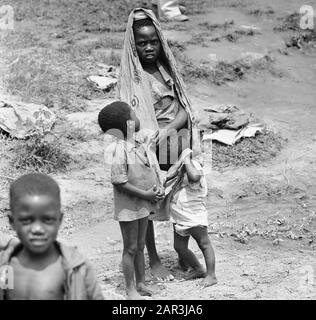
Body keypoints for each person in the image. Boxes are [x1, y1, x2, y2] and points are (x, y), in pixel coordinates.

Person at [117, 8, 199, 281]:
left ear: (160, 41)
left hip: (177, 142)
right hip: (147, 151)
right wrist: (153, 136)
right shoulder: (133, 79)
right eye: (142, 43)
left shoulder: (166, 70)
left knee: (182, 201)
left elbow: (184, 109)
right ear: (133, 44)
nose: (149, 47)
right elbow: (129, 123)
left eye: (153, 41)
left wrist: (169, 130)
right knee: (148, 203)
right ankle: (152, 258)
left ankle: (182, 252)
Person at [98, 101, 164, 300]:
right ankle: (130, 289)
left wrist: (157, 187)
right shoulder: (120, 150)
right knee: (131, 248)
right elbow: (119, 182)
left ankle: (141, 282)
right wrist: (146, 195)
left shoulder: (138, 145)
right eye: (134, 114)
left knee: (141, 244)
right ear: (128, 124)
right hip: (129, 207)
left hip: (143, 204)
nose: (138, 117)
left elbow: (149, 170)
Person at [0, 173, 104, 300]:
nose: (37, 229)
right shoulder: (6, 265)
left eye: (47, 220)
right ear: (12, 221)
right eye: (27, 220)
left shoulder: (76, 269)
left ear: (59, 220)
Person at [168, 150, 217, 287]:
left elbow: (195, 178)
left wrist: (187, 160)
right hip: (180, 216)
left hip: (193, 215)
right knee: (179, 246)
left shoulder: (194, 165)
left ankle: (211, 275)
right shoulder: (179, 166)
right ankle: (198, 268)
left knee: (204, 244)